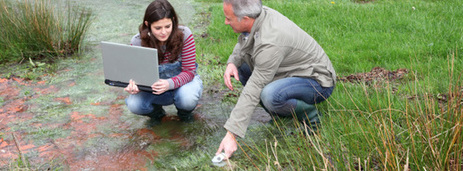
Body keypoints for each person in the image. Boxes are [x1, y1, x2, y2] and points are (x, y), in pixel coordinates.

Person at [216, 0, 336, 159]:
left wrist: (232, 134)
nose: (225, 22)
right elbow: (246, 39)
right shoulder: (257, 15)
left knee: (270, 95)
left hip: (316, 81)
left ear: (245, 18)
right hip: (289, 71)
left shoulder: (271, 41)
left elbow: (254, 87)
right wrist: (232, 62)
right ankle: (280, 116)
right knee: (241, 67)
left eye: (229, 19)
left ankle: (312, 118)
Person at [124, 0, 203, 126]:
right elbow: (136, 75)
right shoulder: (137, 42)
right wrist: (133, 86)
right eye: (158, 28)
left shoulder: (185, 34)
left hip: (182, 85)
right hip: (153, 90)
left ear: (173, 21)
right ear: (147, 24)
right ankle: (157, 114)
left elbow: (189, 72)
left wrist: (169, 83)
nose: (164, 32)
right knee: (134, 105)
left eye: (167, 26)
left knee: (187, 98)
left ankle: (184, 114)